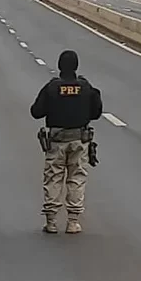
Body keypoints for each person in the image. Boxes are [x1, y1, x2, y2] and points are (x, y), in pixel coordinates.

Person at [30, 50, 103, 234]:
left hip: (56, 141)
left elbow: (36, 111)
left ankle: (52, 221)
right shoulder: (86, 87)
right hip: (80, 140)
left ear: (60, 67)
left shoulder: (52, 88)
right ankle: (73, 221)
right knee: (77, 178)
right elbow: (96, 113)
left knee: (54, 177)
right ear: (76, 67)